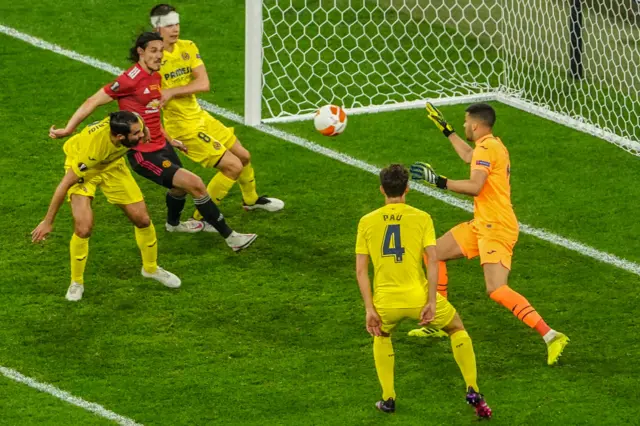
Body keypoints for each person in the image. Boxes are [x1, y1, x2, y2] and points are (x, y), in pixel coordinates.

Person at [49, 31, 257, 251]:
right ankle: (232, 238)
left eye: (161, 50)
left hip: (162, 144)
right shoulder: (129, 80)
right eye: (154, 51)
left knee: (179, 188)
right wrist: (69, 128)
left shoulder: (156, 77)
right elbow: (92, 101)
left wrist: (169, 139)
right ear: (141, 52)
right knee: (195, 184)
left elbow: (151, 115)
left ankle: (173, 225)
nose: (160, 56)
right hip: (144, 153)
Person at [409, 102, 569, 365]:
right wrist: (448, 132)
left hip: (496, 227)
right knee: (433, 254)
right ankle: (436, 321)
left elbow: (475, 186)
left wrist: (438, 181)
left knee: (496, 288)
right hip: (483, 223)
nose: (463, 126)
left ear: (474, 124)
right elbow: (468, 156)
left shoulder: (488, 147)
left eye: (464, 123)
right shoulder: (491, 145)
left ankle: (551, 335)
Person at [355, 164, 491, 419]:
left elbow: (362, 271)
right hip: (418, 296)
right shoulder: (422, 217)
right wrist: (430, 301)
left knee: (381, 334)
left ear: (382, 189)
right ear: (407, 189)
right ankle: (472, 388)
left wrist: (370, 309)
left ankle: (388, 398)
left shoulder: (366, 222)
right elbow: (432, 260)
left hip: (386, 301)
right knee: (456, 328)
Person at [150, 4, 283, 233]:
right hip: (183, 128)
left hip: (201, 117)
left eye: (177, 23)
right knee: (232, 167)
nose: (175, 29)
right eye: (169, 25)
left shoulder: (188, 47)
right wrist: (168, 137)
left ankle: (250, 200)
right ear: (157, 27)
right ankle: (201, 218)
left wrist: (172, 91)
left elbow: (204, 84)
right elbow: (149, 106)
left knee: (243, 156)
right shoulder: (154, 60)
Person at [32, 112, 180, 301]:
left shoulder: (132, 122)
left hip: (113, 167)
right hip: (84, 168)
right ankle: (76, 282)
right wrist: (47, 221)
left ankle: (150, 269)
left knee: (142, 220)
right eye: (136, 134)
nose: (141, 136)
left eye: (140, 131)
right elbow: (64, 184)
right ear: (119, 136)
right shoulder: (92, 152)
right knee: (83, 228)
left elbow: (140, 116)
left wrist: (146, 130)